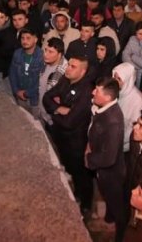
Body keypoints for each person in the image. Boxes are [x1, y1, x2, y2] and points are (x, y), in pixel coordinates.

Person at [42, 56, 94, 215]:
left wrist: (55, 111)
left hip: (77, 143)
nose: (68, 69)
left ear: (83, 71)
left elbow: (70, 122)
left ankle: (86, 204)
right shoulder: (66, 79)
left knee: (82, 175)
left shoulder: (86, 91)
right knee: (70, 168)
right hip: (62, 137)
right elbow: (46, 97)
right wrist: (61, 109)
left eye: (73, 66)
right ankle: (76, 193)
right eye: (69, 65)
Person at [86, 77, 126, 239]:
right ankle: (108, 219)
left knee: (117, 207)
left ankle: (120, 235)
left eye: (97, 90)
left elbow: (108, 157)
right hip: (105, 172)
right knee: (109, 199)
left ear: (108, 98)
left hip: (111, 174)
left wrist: (88, 159)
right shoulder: (103, 108)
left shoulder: (113, 121)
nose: (93, 92)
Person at [8, 27, 45, 119]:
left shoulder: (42, 56)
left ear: (36, 39)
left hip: (35, 99)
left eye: (28, 38)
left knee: (38, 122)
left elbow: (42, 81)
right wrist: (16, 90)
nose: (25, 41)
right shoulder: (17, 53)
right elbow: (12, 73)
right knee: (24, 119)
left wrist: (27, 93)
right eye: (22, 38)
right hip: (20, 95)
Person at [112, 62, 142, 153]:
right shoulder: (114, 92)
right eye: (114, 77)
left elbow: (132, 130)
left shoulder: (139, 102)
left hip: (123, 147)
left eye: (119, 79)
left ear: (128, 81)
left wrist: (114, 140)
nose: (115, 81)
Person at [38, 37, 67, 125]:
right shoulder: (44, 63)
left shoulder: (65, 72)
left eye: (50, 52)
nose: (46, 54)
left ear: (59, 54)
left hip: (53, 119)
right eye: (45, 50)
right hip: (41, 111)